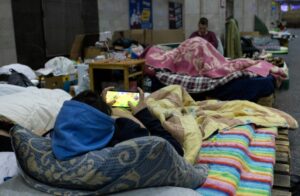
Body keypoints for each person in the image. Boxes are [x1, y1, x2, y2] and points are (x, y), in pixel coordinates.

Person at [51, 87, 184, 161]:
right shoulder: (124, 130)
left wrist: (101, 107)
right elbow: (176, 150)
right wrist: (143, 113)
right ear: (102, 122)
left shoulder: (59, 134)